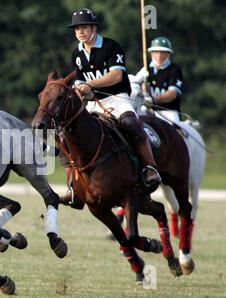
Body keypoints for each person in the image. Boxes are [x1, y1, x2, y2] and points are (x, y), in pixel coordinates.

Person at [67, 8, 161, 191]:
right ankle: (75, 180)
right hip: (93, 103)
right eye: (76, 28)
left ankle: (150, 167)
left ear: (94, 27)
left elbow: (117, 75)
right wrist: (79, 89)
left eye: (84, 27)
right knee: (70, 130)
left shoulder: (111, 46)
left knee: (131, 123)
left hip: (117, 98)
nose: (80, 31)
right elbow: (79, 79)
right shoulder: (77, 54)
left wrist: (90, 85)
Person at [131, 36, 183, 123]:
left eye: (163, 52)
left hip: (168, 111)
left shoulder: (174, 70)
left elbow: (172, 94)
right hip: (146, 110)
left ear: (169, 54)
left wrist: (154, 99)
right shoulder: (145, 67)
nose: (159, 55)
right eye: (156, 51)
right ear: (151, 53)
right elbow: (134, 84)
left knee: (173, 131)